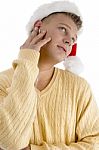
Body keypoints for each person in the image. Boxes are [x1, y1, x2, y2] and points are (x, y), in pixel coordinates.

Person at [0, 1, 99, 150]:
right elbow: (10, 142)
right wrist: (27, 58)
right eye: (63, 29)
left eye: (73, 39)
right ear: (38, 27)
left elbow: (95, 143)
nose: (68, 41)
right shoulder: (3, 82)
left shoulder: (79, 87)